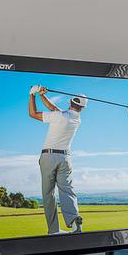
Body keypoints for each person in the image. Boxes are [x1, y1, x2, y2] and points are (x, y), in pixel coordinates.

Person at [28, 85, 86, 234]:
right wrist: (42, 95)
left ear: (70, 102)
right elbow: (54, 108)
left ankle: (53, 230)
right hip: (65, 158)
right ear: (82, 108)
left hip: (49, 157)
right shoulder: (76, 119)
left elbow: (33, 114)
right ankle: (74, 221)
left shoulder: (61, 116)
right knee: (67, 190)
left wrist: (32, 95)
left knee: (48, 194)